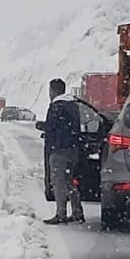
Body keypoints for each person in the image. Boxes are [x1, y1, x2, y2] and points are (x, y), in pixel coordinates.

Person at [40, 78, 84, 224]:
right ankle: (77, 212)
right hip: (73, 149)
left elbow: (52, 127)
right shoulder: (73, 105)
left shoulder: (57, 106)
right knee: (69, 181)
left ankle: (61, 214)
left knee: (58, 182)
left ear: (53, 91)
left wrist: (41, 126)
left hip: (59, 150)